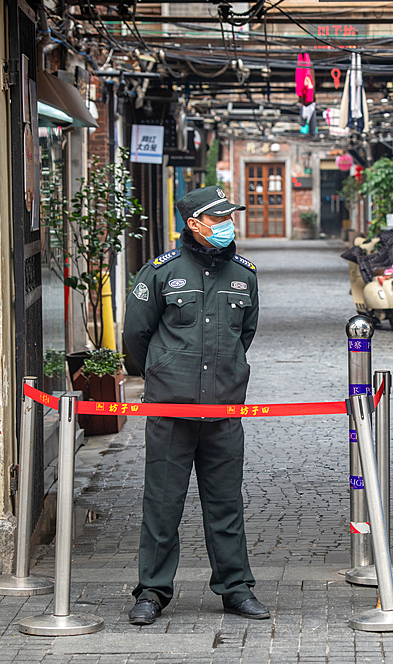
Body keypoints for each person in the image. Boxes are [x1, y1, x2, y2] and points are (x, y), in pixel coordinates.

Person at [123, 186, 268, 625]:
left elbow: (246, 334)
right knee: (162, 503)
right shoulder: (161, 272)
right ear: (195, 224)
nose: (227, 225)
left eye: (229, 217)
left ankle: (235, 588)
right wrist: (165, 375)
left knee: (226, 503)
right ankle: (152, 591)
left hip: (224, 410)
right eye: (219, 219)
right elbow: (136, 337)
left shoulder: (244, 275)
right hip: (171, 410)